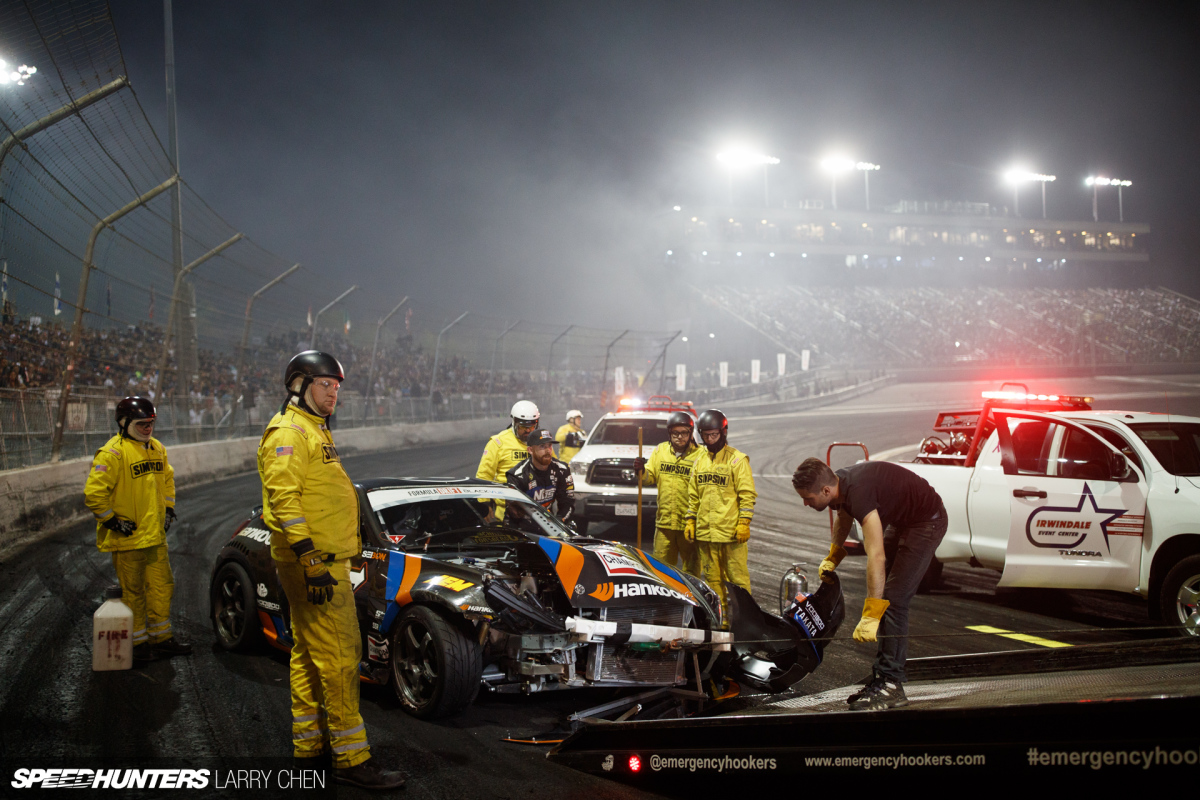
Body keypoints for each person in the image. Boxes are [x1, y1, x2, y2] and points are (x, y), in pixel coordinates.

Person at [257, 350, 404, 790]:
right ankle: (351, 757)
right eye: (325, 384)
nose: (333, 392)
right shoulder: (290, 432)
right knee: (341, 658)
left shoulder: (312, 429)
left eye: (337, 386)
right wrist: (311, 561)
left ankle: (309, 748)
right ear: (299, 385)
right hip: (314, 564)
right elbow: (284, 500)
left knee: (306, 653)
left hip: (316, 561)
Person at [791, 457, 947, 711]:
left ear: (826, 490)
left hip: (927, 522)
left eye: (808, 498)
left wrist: (872, 613)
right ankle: (883, 678)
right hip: (905, 521)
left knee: (894, 600)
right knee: (887, 595)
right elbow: (843, 516)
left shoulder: (859, 493)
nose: (805, 503)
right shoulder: (840, 484)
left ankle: (892, 685)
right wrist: (834, 554)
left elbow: (876, 555)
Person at [84, 396, 192, 664]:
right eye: (142, 423)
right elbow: (94, 494)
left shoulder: (157, 448)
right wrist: (111, 521)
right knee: (133, 592)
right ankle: (138, 644)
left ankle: (161, 639)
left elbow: (167, 480)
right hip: (128, 539)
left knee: (162, 587)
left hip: (155, 538)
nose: (148, 428)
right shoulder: (112, 453)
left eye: (151, 423)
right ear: (124, 423)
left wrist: (168, 509)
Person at [682, 409, 756, 618]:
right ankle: (721, 623)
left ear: (723, 433)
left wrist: (744, 522)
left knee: (738, 581)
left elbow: (747, 494)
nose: (710, 439)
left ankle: (746, 622)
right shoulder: (699, 462)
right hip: (706, 534)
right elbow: (693, 496)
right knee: (713, 582)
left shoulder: (737, 460)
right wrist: (690, 521)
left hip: (731, 534)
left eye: (714, 435)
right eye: (706, 435)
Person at [634, 410, 702, 575]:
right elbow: (649, 478)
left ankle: (690, 599)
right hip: (665, 524)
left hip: (690, 525)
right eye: (675, 433)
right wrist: (641, 471)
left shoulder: (701, 455)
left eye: (684, 433)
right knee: (661, 569)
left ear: (691, 433)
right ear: (669, 433)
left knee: (691, 571)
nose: (680, 437)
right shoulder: (660, 451)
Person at [476, 400, 539, 519]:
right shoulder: (498, 443)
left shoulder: (540, 442)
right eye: (523, 427)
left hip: (539, 511)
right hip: (506, 513)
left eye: (532, 426)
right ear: (514, 422)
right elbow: (484, 475)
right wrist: (484, 505)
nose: (528, 431)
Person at [506, 429, 575, 526]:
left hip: (548, 525)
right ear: (530, 450)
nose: (547, 451)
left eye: (549, 446)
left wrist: (559, 521)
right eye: (542, 446)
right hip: (521, 526)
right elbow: (515, 512)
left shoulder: (562, 469)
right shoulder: (517, 475)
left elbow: (568, 502)